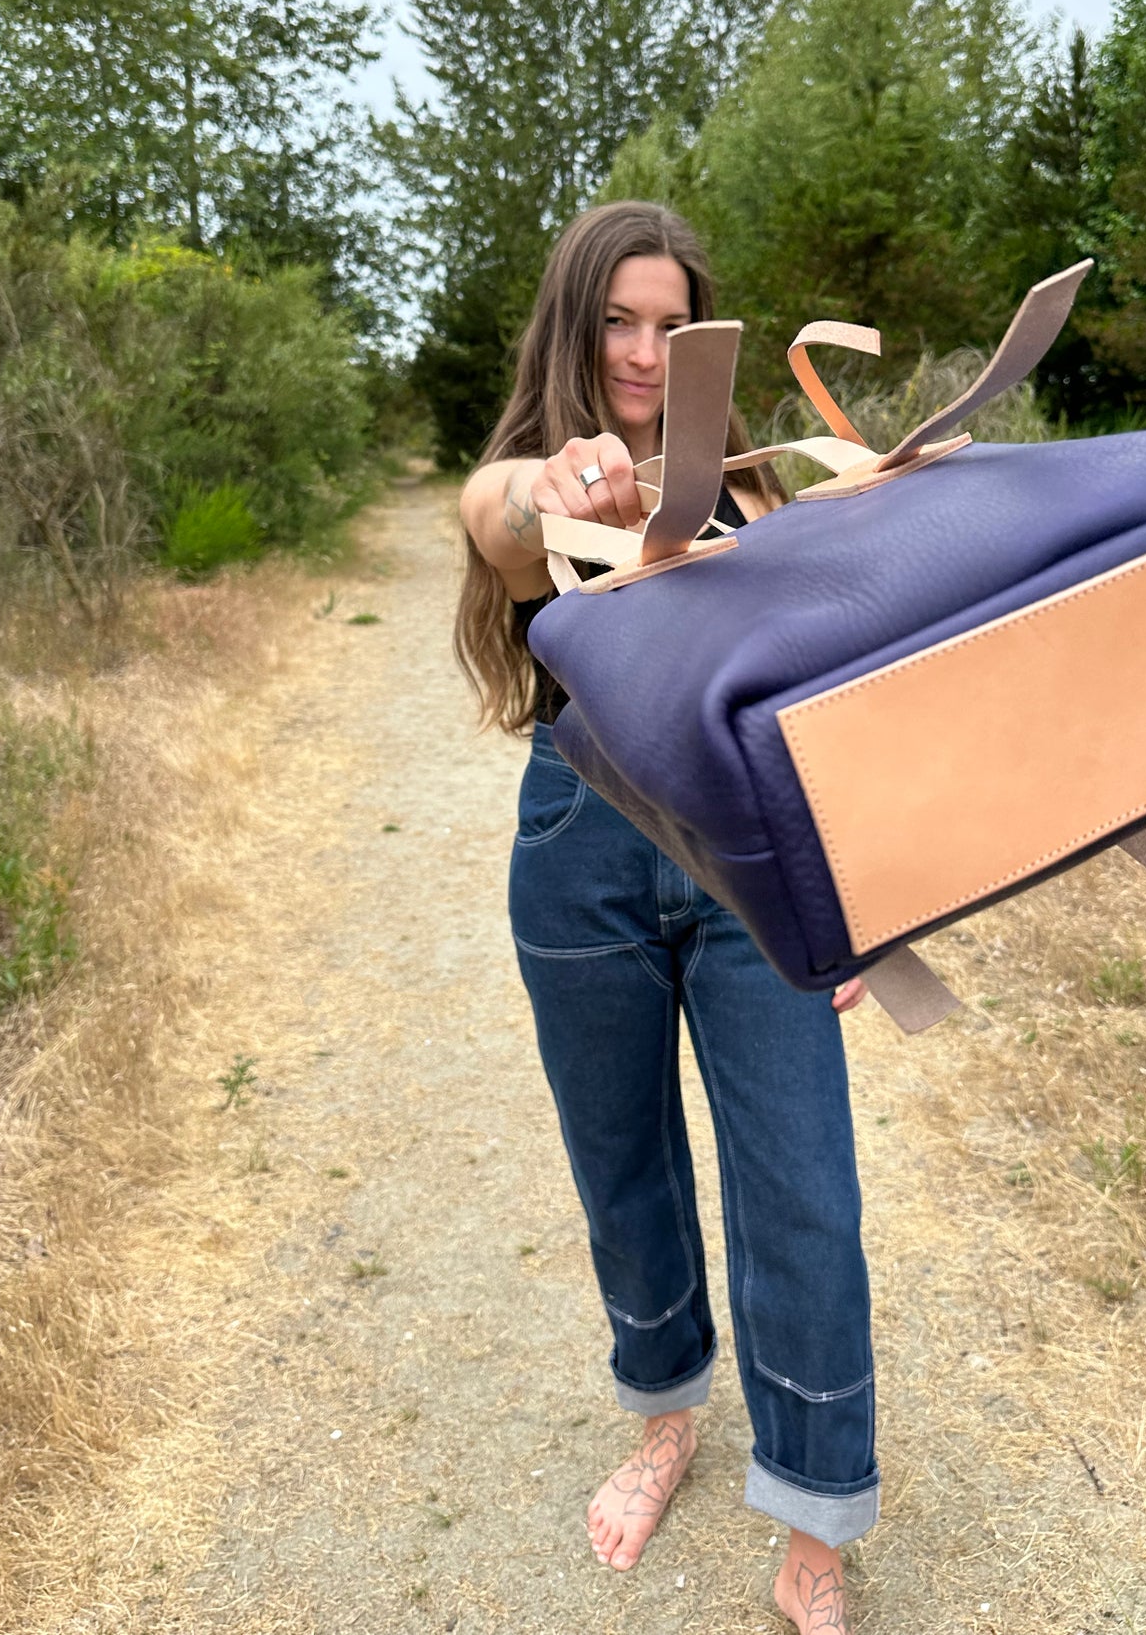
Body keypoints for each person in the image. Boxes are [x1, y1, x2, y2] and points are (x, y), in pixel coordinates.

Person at [456, 201, 876, 1635]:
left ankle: (816, 1517)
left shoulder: (757, 494)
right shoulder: (535, 480)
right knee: (622, 1169)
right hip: (579, 851)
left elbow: (817, 708)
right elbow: (501, 519)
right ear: (572, 329)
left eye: (671, 325)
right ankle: (664, 1420)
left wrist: (849, 901)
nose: (642, 353)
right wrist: (555, 488)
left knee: (803, 1187)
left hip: (742, 858)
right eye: (616, 322)